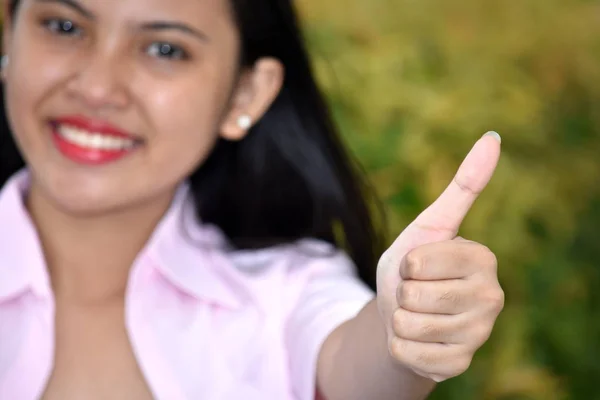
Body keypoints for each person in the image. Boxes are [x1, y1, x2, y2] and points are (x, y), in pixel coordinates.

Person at [0, 0, 505, 399]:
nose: (96, 87)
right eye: (64, 27)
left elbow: (358, 368)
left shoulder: (286, 292)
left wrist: (405, 331)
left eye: (164, 50)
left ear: (246, 94)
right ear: (8, 32)